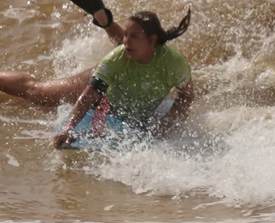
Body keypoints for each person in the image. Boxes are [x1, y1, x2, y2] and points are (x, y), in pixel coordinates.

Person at [51, 10, 193, 148]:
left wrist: (166, 122)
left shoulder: (174, 63)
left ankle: (106, 21)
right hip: (102, 102)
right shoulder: (115, 58)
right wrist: (68, 127)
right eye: (125, 35)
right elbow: (90, 94)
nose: (126, 42)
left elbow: (187, 95)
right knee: (37, 92)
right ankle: (27, 83)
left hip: (139, 112)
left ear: (152, 40)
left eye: (134, 36)